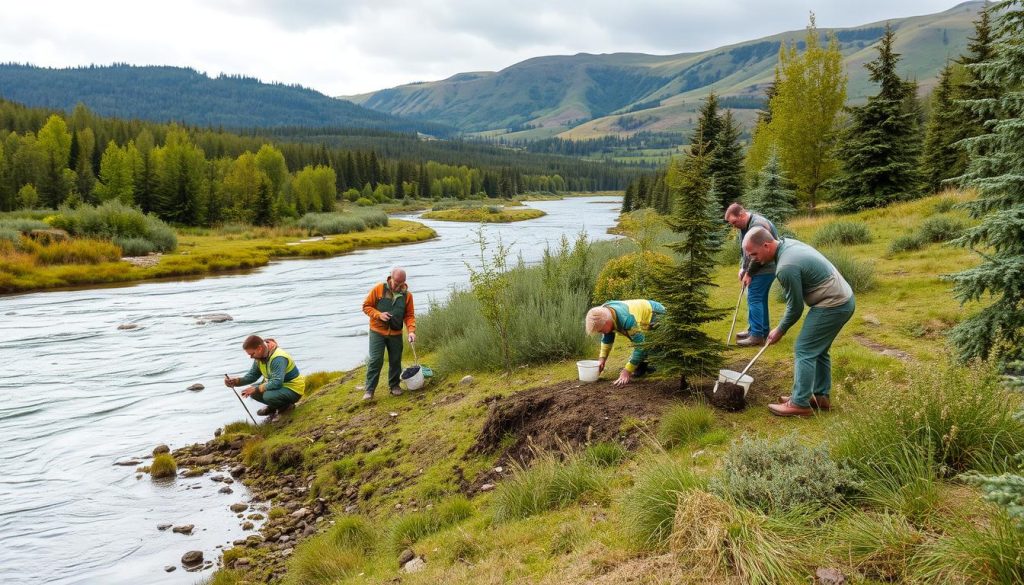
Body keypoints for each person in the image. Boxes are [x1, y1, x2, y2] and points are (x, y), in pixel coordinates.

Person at [742, 227, 855, 417]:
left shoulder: (786, 267)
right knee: (818, 350)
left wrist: (779, 330)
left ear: (767, 245)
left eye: (754, 254)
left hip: (834, 303)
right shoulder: (787, 244)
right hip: (842, 299)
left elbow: (795, 308)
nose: (753, 259)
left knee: (804, 349)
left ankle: (800, 403)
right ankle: (820, 397)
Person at [724, 203, 779, 347]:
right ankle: (760, 331)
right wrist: (742, 268)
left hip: (764, 266)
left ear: (742, 215)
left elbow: (757, 254)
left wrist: (748, 273)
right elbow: (747, 251)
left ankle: (756, 335)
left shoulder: (757, 226)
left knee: (754, 297)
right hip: (762, 266)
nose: (734, 226)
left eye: (734, 222)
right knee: (759, 299)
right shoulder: (745, 225)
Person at [361, 267, 416, 401]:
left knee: (395, 360)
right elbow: (366, 306)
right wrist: (379, 315)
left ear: (404, 282)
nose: (397, 286)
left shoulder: (407, 296)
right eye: (396, 283)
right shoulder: (379, 289)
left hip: (396, 333)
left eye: (401, 284)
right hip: (377, 331)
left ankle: (394, 386)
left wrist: (411, 331)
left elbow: (409, 315)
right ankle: (369, 389)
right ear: (390, 278)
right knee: (376, 360)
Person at [584, 299, 665, 387]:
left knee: (652, 347)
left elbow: (640, 345)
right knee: (638, 367)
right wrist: (602, 359)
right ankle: (643, 366)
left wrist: (627, 371)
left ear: (607, 322)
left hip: (655, 313)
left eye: (600, 330)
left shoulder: (627, 320)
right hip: (644, 315)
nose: (600, 333)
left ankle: (659, 364)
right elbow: (607, 338)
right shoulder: (605, 312)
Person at [224, 335, 305, 421]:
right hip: (281, 387)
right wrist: (235, 382)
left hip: (294, 389)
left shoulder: (278, 358)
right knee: (252, 391)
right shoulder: (260, 357)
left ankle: (285, 408)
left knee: (266, 395)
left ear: (259, 348)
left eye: (252, 354)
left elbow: (277, 382)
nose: (251, 357)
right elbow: (252, 376)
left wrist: (256, 389)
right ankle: (274, 407)